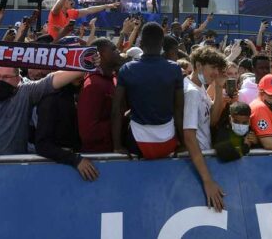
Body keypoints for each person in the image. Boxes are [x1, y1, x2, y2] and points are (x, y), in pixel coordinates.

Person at [112, 22, 183, 159]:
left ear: (141, 42)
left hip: (136, 141)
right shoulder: (175, 69)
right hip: (167, 140)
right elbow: (179, 110)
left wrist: (117, 146)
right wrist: (184, 142)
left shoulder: (127, 69)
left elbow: (116, 111)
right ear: (162, 42)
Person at [182, 46, 228, 211]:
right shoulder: (191, 92)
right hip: (195, 166)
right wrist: (207, 180)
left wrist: (218, 87)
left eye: (218, 68)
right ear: (199, 65)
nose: (216, 72)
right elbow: (189, 135)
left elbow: (212, 121)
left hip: (202, 159)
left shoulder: (199, 87)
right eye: (213, 67)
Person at [77, 38, 121, 153]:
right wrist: (120, 121)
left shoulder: (113, 79)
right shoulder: (93, 85)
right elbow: (88, 132)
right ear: (101, 54)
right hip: (98, 160)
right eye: (113, 49)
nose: (118, 51)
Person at [48, 0, 120, 40]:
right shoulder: (56, 12)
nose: (72, 1)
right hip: (53, 47)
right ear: (62, 0)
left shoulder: (71, 12)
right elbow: (55, 8)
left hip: (64, 47)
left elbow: (89, 10)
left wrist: (107, 6)